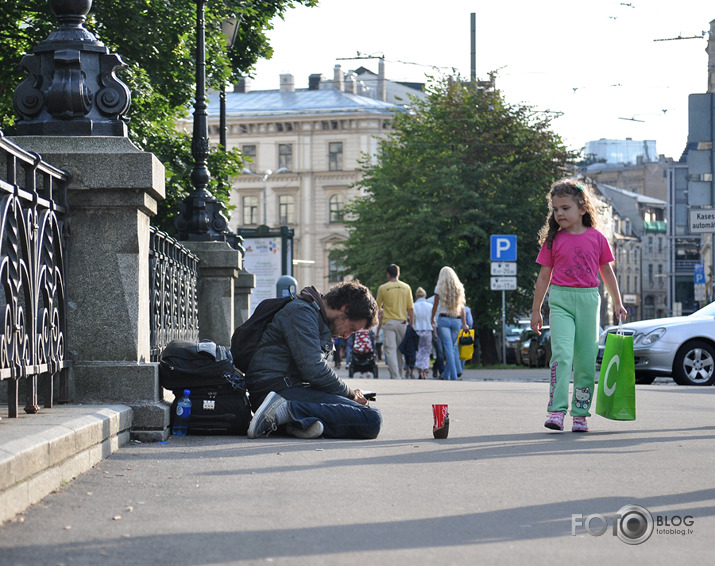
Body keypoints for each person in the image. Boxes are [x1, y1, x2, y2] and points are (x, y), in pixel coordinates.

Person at [531, 179, 627, 434]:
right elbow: (543, 277)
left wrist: (618, 302)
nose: (559, 214)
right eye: (555, 209)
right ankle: (556, 411)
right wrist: (536, 310)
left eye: (565, 208)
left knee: (585, 360)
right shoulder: (553, 240)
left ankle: (581, 413)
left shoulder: (597, 239)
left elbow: (606, 272)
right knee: (561, 355)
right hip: (560, 300)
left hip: (588, 300)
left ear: (582, 209)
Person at [245, 281, 382, 439]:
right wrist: (350, 394)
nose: (346, 336)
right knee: (371, 418)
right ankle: (283, 410)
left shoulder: (315, 316)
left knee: (359, 415)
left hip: (288, 387)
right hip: (275, 390)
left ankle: (293, 423)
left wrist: (347, 395)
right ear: (345, 308)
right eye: (351, 328)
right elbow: (314, 369)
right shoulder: (301, 312)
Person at [375, 264, 414, 379]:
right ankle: (399, 375)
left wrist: (380, 314)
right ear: (398, 273)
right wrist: (411, 323)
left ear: (388, 274)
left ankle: (395, 376)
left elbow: (377, 306)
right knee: (399, 350)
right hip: (402, 322)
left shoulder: (383, 288)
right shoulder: (406, 287)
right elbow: (410, 308)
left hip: (389, 323)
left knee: (390, 350)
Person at [430, 267, 470, 381]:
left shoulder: (439, 288)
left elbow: (435, 305)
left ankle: (453, 376)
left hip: (444, 320)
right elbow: (462, 308)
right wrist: (464, 323)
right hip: (456, 320)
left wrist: (432, 318)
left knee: (448, 347)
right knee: (451, 348)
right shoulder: (459, 288)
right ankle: (446, 375)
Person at [413, 287, 434, 379]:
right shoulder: (430, 306)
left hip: (417, 330)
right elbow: (434, 321)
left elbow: (412, 319)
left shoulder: (413, 306)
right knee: (426, 351)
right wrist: (435, 333)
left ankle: (419, 371)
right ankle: (425, 369)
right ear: (425, 295)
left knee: (418, 351)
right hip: (427, 330)